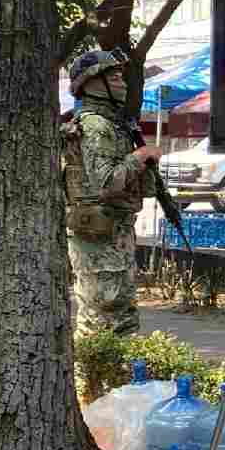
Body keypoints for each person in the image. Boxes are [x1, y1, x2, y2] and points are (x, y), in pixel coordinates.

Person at [61, 49, 161, 340]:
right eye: (114, 77)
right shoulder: (95, 125)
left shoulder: (114, 125)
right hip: (98, 237)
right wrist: (139, 157)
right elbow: (106, 181)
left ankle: (116, 382)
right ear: (92, 83)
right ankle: (96, 383)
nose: (123, 83)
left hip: (113, 234)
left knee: (121, 319)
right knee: (102, 321)